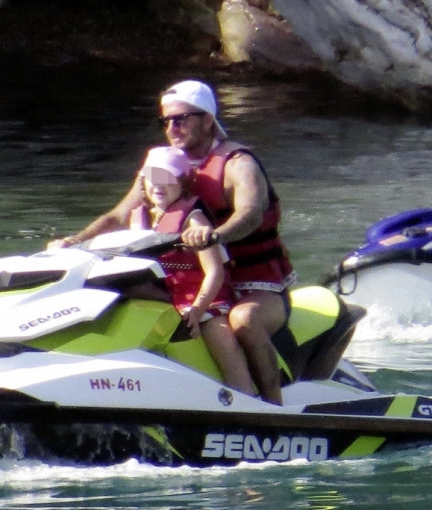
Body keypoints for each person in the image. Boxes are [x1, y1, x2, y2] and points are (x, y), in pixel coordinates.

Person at [49, 79, 295, 405]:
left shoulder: (239, 163)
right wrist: (75, 241)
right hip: (191, 281)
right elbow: (120, 215)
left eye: (181, 119)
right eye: (165, 121)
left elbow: (250, 214)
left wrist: (214, 236)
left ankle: (273, 408)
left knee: (243, 321)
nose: (172, 129)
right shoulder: (163, 166)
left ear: (207, 119)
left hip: (257, 284)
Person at [127, 146, 255, 396]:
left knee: (220, 338)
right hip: (163, 297)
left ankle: (246, 395)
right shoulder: (137, 218)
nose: (159, 185)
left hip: (203, 300)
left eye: (168, 178)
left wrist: (197, 311)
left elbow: (215, 272)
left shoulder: (193, 219)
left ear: (183, 182)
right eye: (152, 177)